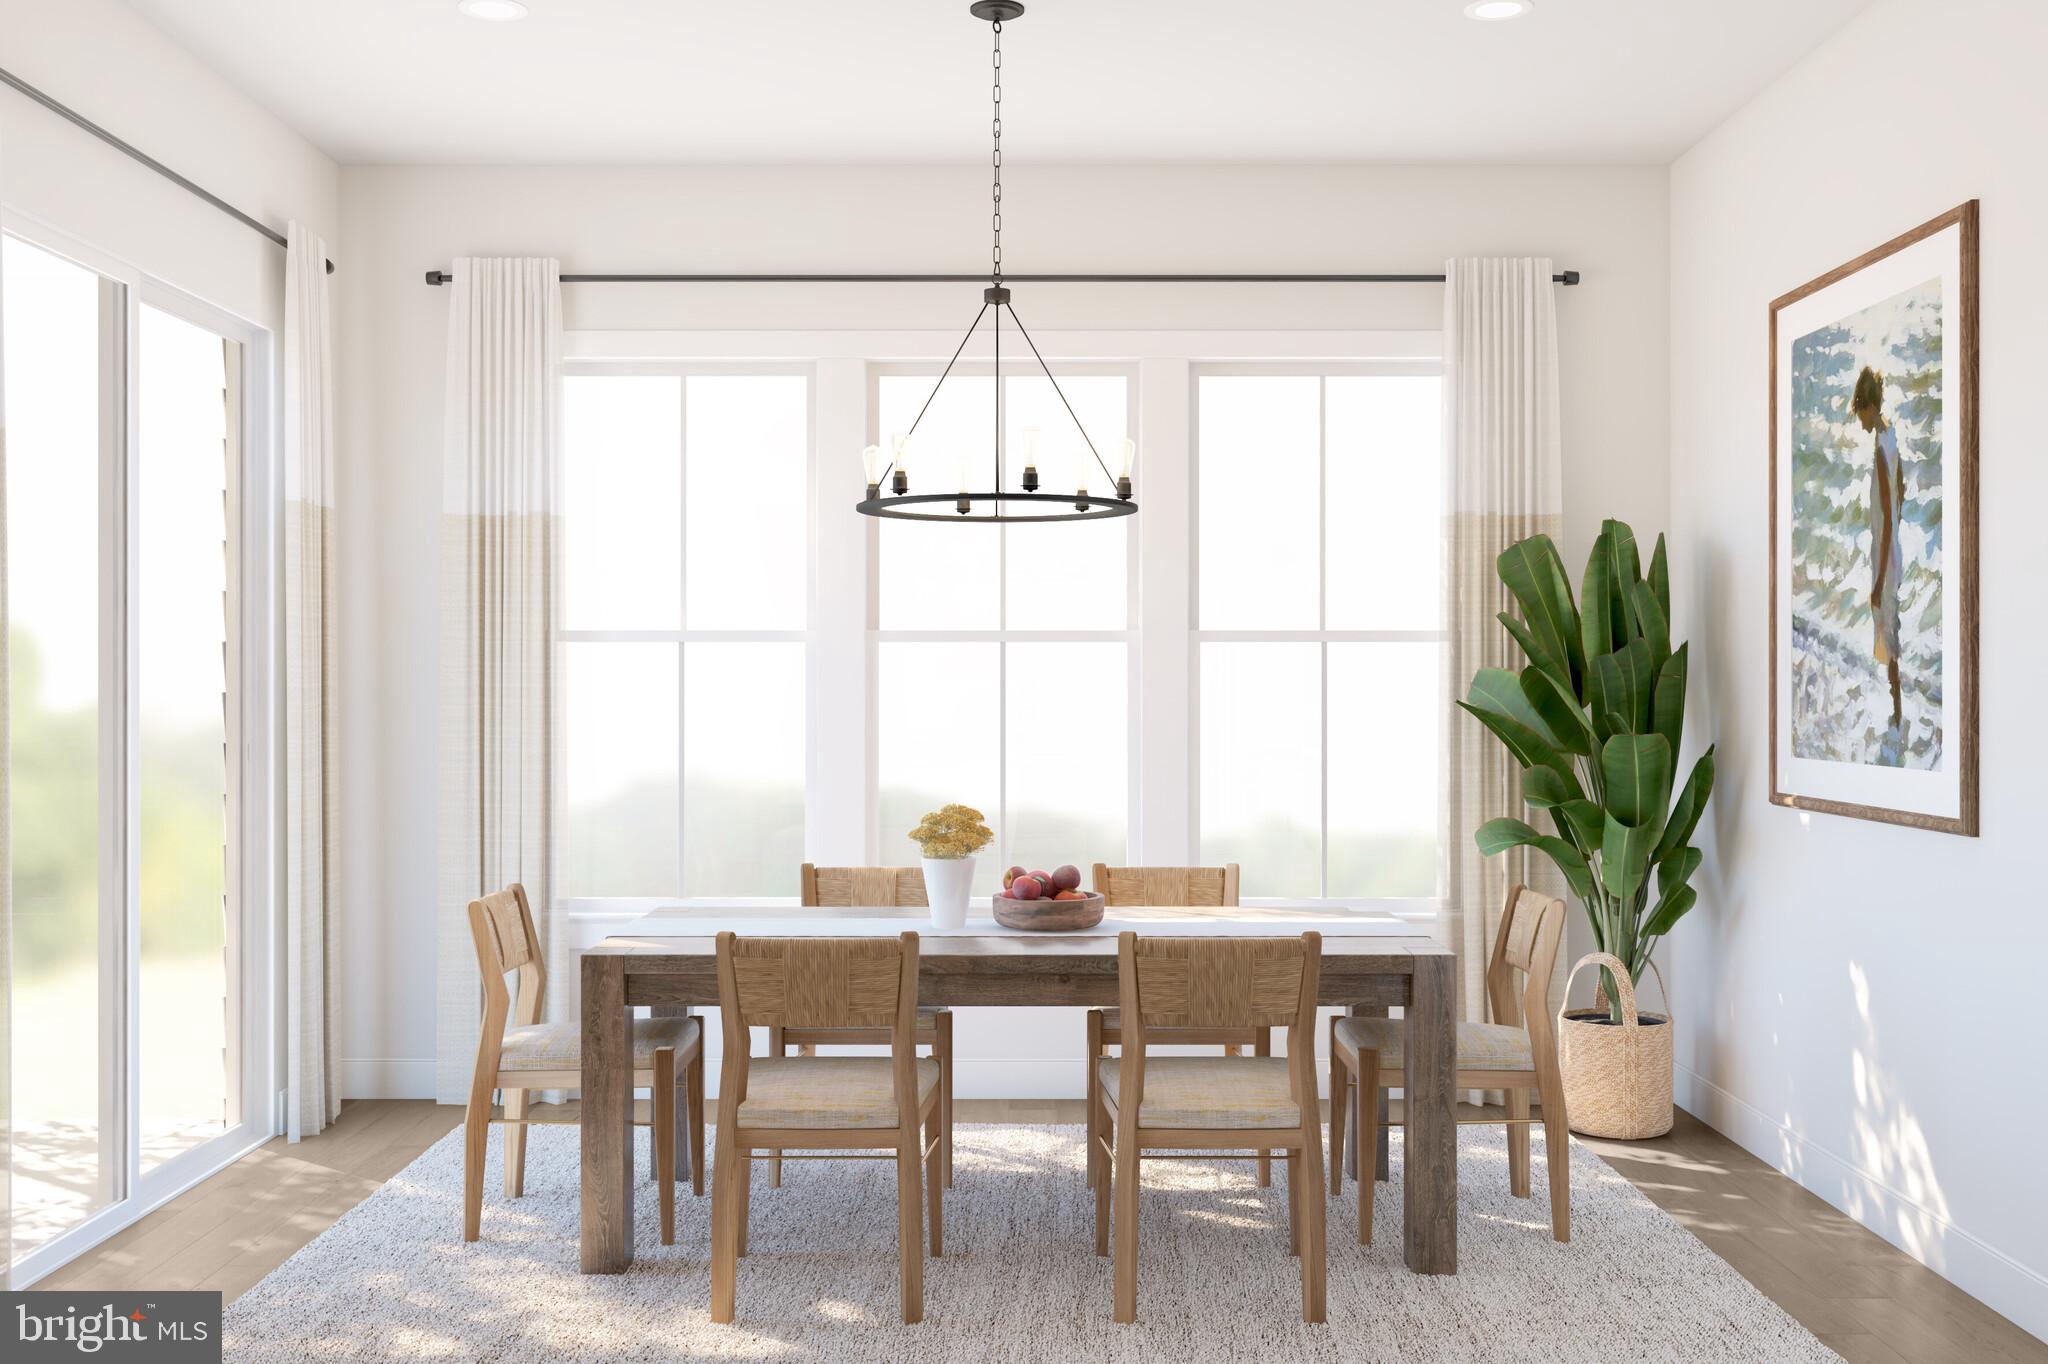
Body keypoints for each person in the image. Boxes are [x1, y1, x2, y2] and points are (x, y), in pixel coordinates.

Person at [1853, 366, 1905, 737]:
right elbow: (1900, 489)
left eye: (1860, 413)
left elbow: (1886, 517)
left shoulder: (1879, 449)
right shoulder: (1889, 436)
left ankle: (1897, 709)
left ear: (1868, 406)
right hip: (1892, 547)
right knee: (1889, 627)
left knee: (1887, 628)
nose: (1860, 421)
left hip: (1885, 552)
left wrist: (1879, 577)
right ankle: (1895, 705)